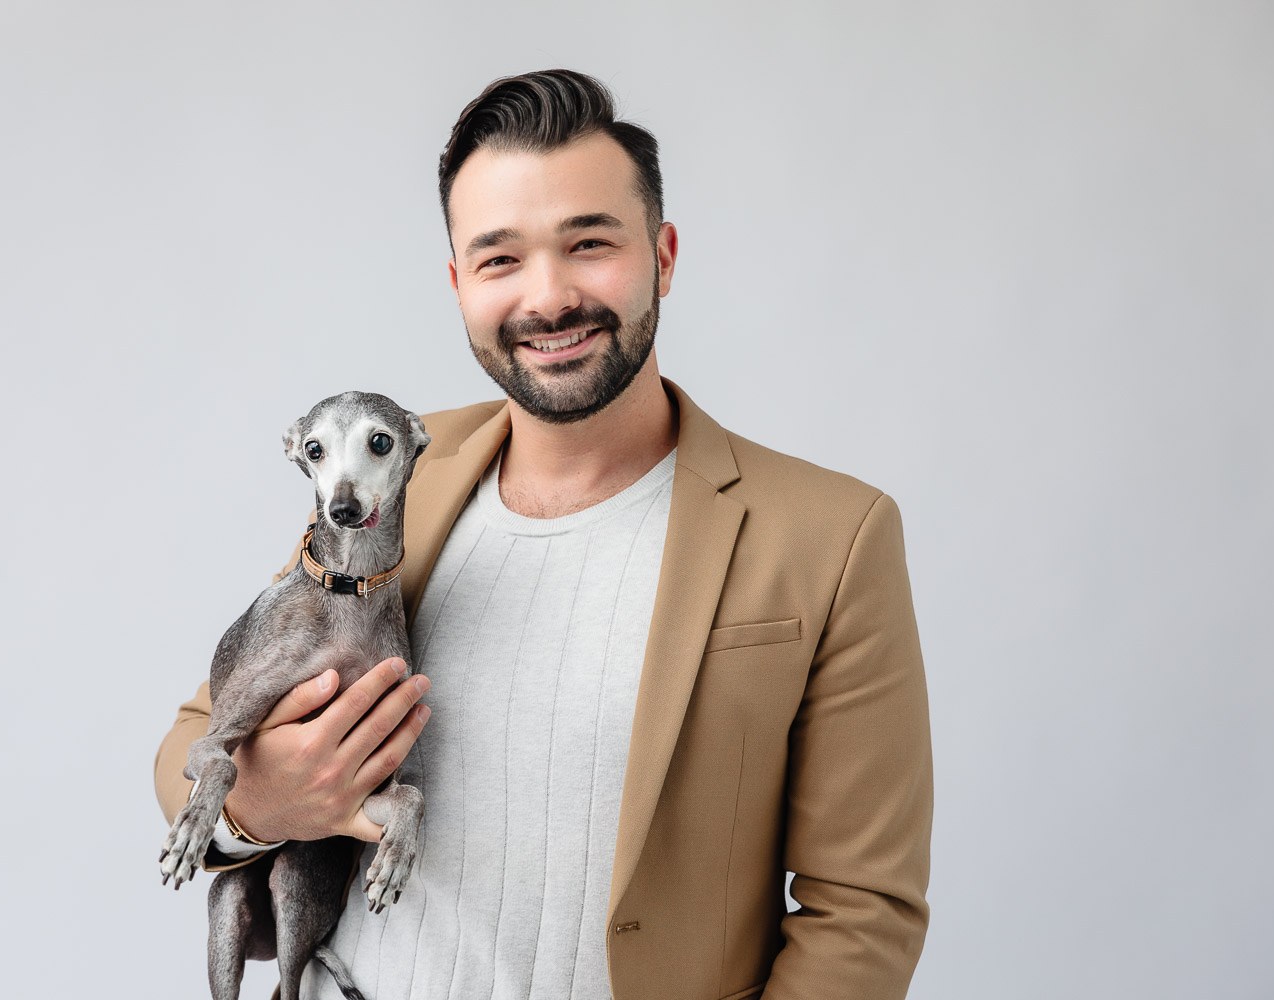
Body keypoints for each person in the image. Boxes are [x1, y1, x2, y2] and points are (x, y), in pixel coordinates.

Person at [155, 69, 933, 1000]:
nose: (550, 296)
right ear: (458, 286)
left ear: (664, 255)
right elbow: (198, 736)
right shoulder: (393, 479)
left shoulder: (831, 537)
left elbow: (864, 907)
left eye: (590, 243)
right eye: (499, 259)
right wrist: (258, 804)